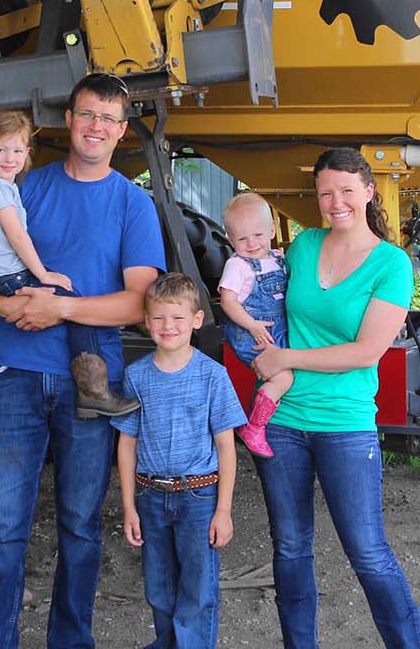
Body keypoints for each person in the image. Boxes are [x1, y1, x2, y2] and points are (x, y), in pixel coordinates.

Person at [0, 73, 165, 649]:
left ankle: (70, 642)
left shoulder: (132, 203)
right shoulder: (21, 186)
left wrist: (59, 310)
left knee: (80, 525)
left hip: (91, 384)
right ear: (68, 120)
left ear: (121, 132)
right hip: (13, 373)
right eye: (87, 114)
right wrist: (8, 305)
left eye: (109, 120)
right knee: (2, 530)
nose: (96, 126)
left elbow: (139, 303)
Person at [249, 148, 420, 649]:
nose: (336, 201)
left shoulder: (391, 265)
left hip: (345, 424)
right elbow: (262, 297)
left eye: (347, 190)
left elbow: (367, 350)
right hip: (283, 421)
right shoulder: (304, 246)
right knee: (289, 548)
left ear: (369, 192)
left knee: (367, 551)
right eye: (326, 192)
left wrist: (286, 360)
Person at [0, 108, 139, 418]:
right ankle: (94, 389)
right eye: (1, 150)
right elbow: (17, 236)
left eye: (17, 150)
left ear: (28, 152)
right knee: (72, 303)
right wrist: (44, 274)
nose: (10, 158)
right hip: (5, 273)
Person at [114, 272, 247, 649]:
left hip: (199, 497)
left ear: (196, 320)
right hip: (151, 496)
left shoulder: (212, 376)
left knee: (197, 588)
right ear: (145, 321)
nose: (167, 326)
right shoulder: (136, 375)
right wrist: (128, 506)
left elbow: (226, 446)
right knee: (159, 587)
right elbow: (127, 443)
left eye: (177, 318)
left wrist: (224, 510)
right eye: (158, 318)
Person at [217, 191, 294, 458]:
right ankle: (255, 426)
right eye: (242, 238)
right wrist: (250, 324)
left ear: (272, 230)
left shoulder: (277, 258)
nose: (251, 244)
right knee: (283, 375)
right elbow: (227, 301)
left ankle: (272, 405)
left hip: (275, 330)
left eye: (258, 235)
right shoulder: (237, 265)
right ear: (230, 239)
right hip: (250, 333)